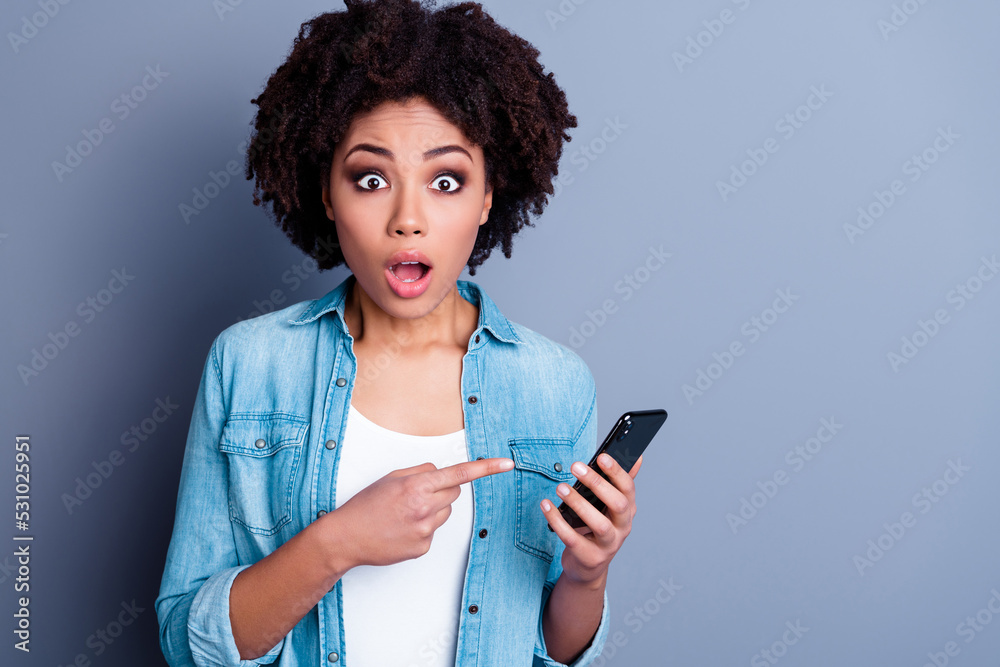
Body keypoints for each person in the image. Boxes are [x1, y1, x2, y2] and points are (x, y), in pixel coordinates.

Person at [155, 1, 644, 665]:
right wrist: (338, 542)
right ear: (327, 192)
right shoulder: (249, 363)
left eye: (446, 180)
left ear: (487, 196)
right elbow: (188, 642)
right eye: (371, 178)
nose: (408, 219)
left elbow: (550, 652)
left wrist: (589, 574)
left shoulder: (554, 383)